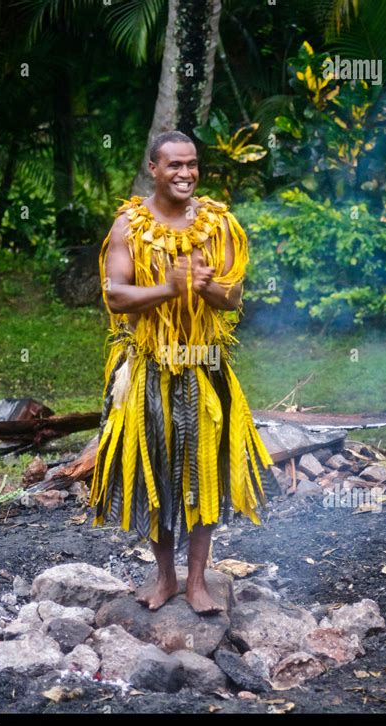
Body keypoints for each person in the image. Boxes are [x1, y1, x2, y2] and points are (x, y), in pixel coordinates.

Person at [89, 130, 279, 614]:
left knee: (203, 472)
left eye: (192, 164)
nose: (186, 173)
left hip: (206, 366)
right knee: (156, 471)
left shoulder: (218, 224)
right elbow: (115, 295)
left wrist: (206, 286)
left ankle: (197, 581)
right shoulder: (129, 227)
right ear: (153, 169)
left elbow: (233, 297)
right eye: (174, 165)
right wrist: (170, 289)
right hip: (152, 367)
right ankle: (165, 577)